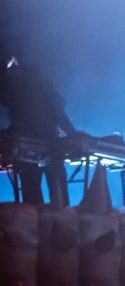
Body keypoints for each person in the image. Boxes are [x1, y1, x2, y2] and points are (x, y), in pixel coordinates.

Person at [0, 55, 76, 206]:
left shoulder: (33, 83)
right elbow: (58, 112)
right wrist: (72, 134)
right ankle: (51, 219)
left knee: (38, 191)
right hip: (38, 143)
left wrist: (73, 135)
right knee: (49, 190)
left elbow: (57, 111)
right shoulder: (22, 85)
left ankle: (46, 220)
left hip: (44, 142)